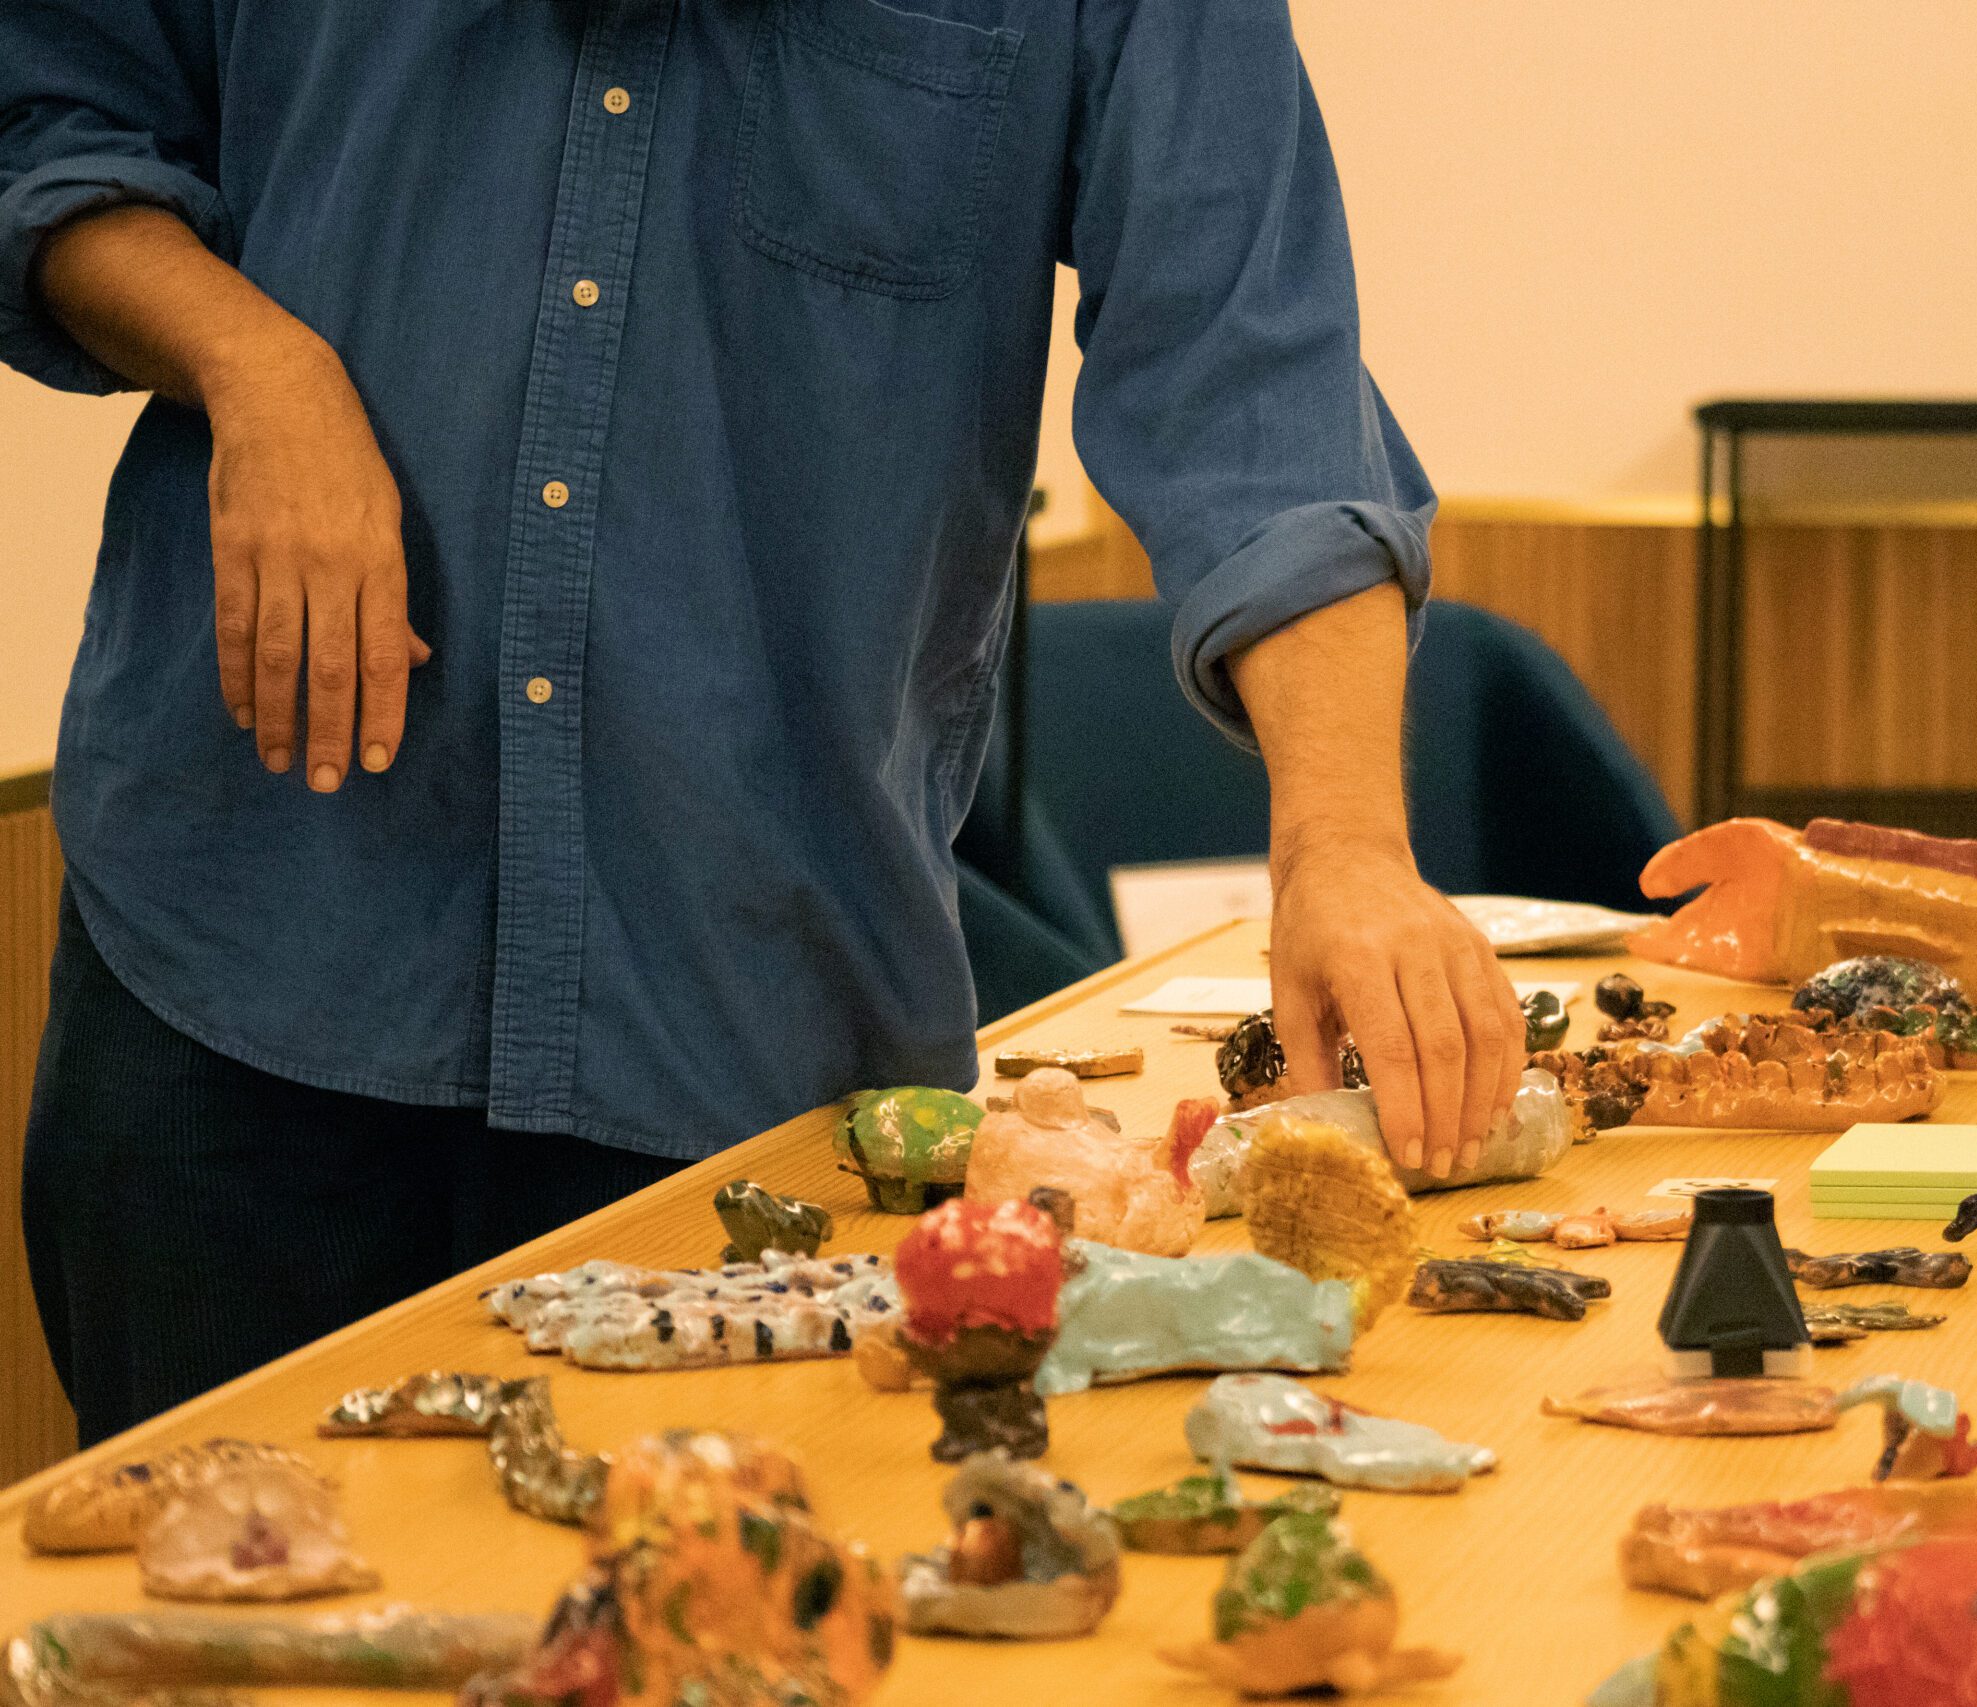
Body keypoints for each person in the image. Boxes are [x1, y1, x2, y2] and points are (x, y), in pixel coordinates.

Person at [0, 0, 1523, 1445]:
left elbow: (1252, 385)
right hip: (238, 974)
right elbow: (49, 125)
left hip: (741, 1034)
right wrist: (252, 360)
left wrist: (1344, 847)